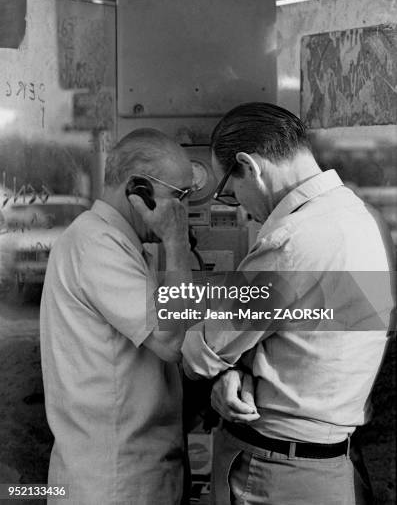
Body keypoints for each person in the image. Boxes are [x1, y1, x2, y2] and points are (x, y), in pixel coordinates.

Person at [182, 102, 395, 505]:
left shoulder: (289, 243)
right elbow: (315, 332)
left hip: (274, 472)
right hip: (333, 467)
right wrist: (240, 367)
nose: (240, 206)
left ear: (250, 166)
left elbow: (200, 353)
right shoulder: (367, 221)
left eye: (231, 193)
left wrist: (225, 368)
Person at [40, 129, 194, 504]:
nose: (183, 211)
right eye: (178, 198)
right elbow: (171, 341)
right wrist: (176, 244)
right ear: (139, 189)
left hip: (132, 471)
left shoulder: (115, 242)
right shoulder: (97, 244)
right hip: (115, 480)